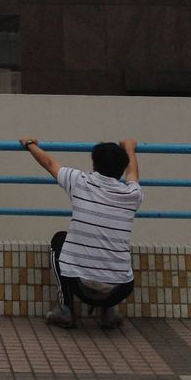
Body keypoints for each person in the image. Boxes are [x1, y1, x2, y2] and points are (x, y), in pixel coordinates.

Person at [20, 135, 142, 330]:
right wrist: (129, 148)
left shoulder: (79, 181)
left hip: (81, 286)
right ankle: (110, 311)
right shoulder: (132, 195)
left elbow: (48, 162)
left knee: (60, 240)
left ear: (94, 167)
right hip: (120, 289)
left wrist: (29, 144)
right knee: (116, 245)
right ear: (121, 171)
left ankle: (65, 309)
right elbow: (133, 174)